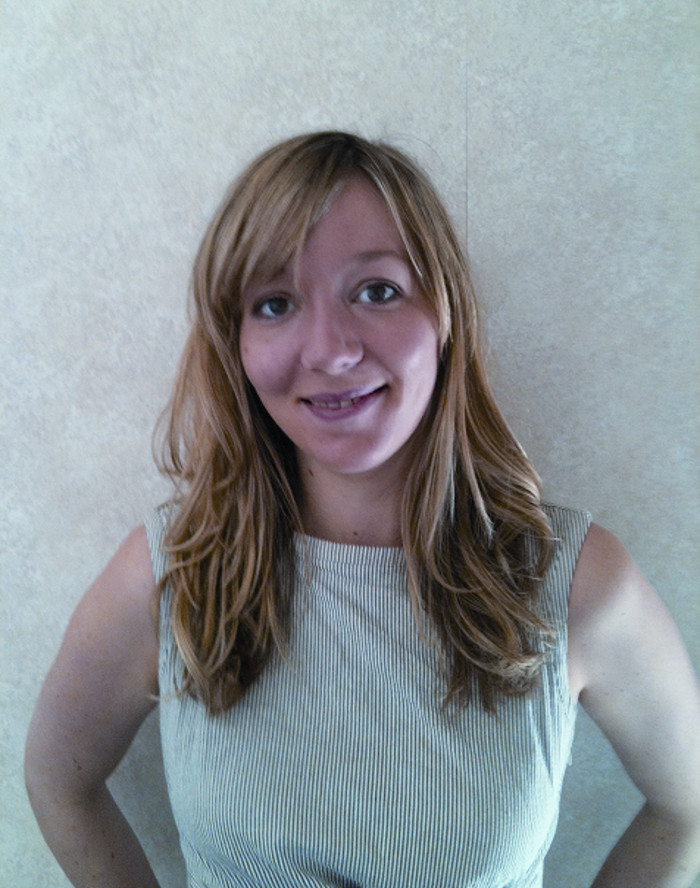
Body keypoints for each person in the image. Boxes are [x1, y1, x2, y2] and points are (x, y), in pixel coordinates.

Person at [25, 131, 700, 888]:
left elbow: (688, 809)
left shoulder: (573, 581)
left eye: (377, 291)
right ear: (235, 344)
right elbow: (58, 782)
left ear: (445, 312)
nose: (330, 351)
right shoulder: (172, 571)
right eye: (274, 303)